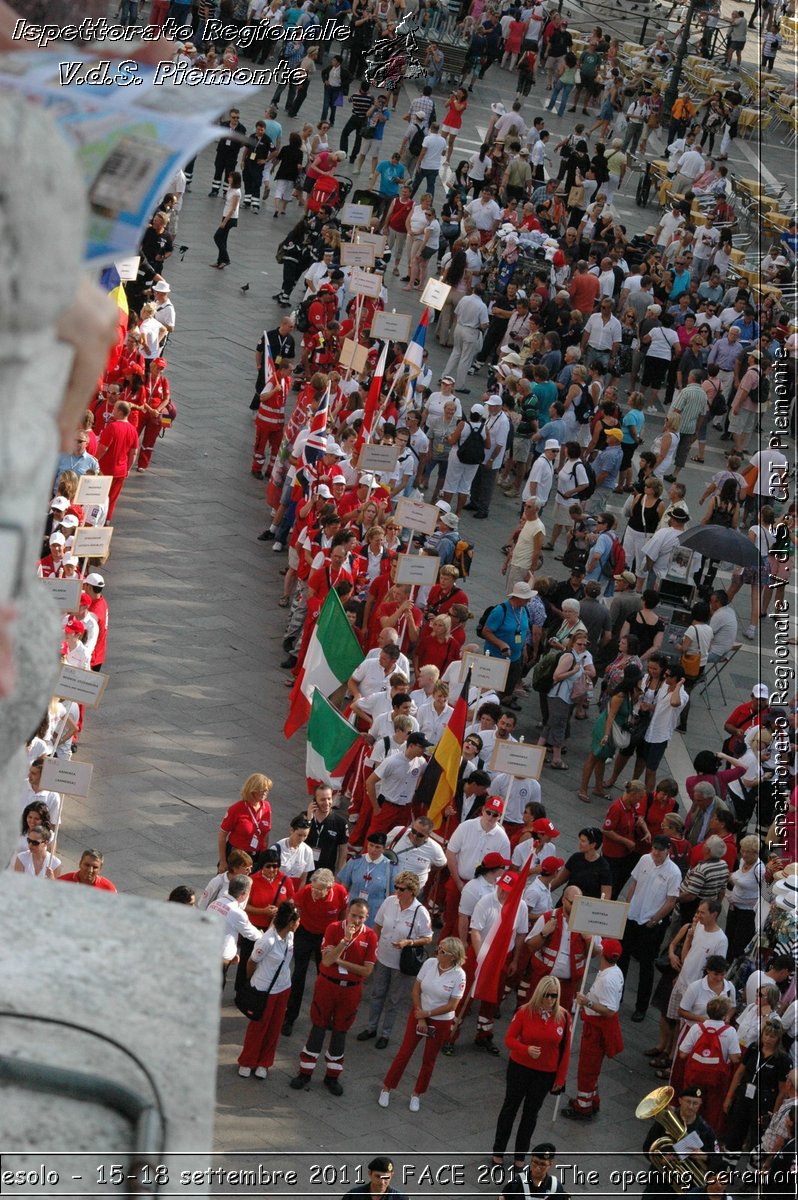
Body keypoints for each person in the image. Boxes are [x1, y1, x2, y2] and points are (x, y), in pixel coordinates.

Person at [289, 898, 378, 1095]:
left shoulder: (370, 936)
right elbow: (327, 961)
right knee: (318, 1026)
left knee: (340, 1031)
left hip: (351, 990)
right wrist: (344, 942)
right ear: (347, 912)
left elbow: (366, 971)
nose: (356, 920)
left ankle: (332, 1076)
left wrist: (341, 962)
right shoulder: (334, 928)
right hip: (328, 985)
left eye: (361, 917)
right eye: (354, 915)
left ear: (367, 917)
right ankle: (305, 1072)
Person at [379, 936, 467, 1112]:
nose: (438, 952)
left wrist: (428, 1014)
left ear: (452, 956)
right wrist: (420, 1016)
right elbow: (416, 990)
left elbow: (452, 1005)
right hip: (419, 1013)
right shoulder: (429, 964)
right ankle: (387, 1088)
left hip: (440, 1020)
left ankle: (417, 1094)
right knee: (405, 1052)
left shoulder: (459, 975)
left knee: (429, 1058)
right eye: (438, 949)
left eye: (442, 951)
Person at [491, 978, 571, 1168]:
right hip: (520, 1068)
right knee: (510, 1108)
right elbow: (509, 1039)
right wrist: (525, 1049)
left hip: (545, 1074)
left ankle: (520, 1156)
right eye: (547, 995)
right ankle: (498, 1152)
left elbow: (565, 1049)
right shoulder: (525, 1011)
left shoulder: (563, 1016)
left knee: (531, 1114)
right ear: (540, 993)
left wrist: (560, 1078)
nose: (551, 999)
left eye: (554, 995)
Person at [357, 871, 433, 1049]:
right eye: (396, 887)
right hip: (383, 956)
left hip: (402, 964)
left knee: (394, 1000)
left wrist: (410, 942)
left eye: (401, 889)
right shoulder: (389, 902)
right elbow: (377, 925)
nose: (397, 892)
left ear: (412, 891)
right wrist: (371, 949)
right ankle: (371, 1028)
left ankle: (386, 1033)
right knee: (377, 993)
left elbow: (428, 937)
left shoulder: (420, 912)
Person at [618, 835, 682, 1022]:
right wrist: (626, 906)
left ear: (667, 850)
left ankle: (641, 1007)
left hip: (650, 923)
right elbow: (634, 884)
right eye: (654, 849)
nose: (655, 853)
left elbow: (671, 901)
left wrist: (655, 919)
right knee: (621, 958)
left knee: (646, 966)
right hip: (632, 917)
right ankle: (617, 996)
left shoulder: (674, 872)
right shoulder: (644, 859)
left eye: (659, 850)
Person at [282, 868, 349, 1036]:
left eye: (319, 890)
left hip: (326, 937)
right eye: (313, 888)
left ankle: (323, 1017)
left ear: (329, 888)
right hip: (305, 934)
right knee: (298, 975)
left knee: (325, 978)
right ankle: (289, 1018)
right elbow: (293, 905)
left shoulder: (340, 893)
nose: (315, 892)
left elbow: (342, 913)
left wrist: (338, 936)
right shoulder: (305, 892)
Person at [237, 900, 301, 1078]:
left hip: (283, 988)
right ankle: (247, 1061)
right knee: (258, 1027)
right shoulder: (267, 940)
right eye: (297, 921)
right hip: (264, 990)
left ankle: (264, 1063)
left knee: (274, 1028)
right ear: (290, 922)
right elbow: (251, 963)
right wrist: (253, 981)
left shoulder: (290, 936)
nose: (299, 924)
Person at [563, 938, 624, 1121]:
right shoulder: (614, 972)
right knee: (591, 1068)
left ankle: (583, 1107)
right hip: (596, 1026)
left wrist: (586, 1002)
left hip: (596, 1029)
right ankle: (591, 1100)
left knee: (587, 1069)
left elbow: (609, 1010)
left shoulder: (608, 979)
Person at [338, 833, 397, 927]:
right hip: (352, 908)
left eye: (377, 847)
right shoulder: (355, 861)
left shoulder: (390, 867)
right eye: (371, 845)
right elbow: (343, 886)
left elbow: (393, 895)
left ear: (383, 849)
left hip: (375, 912)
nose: (373, 850)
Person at [217, 774, 273, 870]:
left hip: (256, 856)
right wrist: (223, 861)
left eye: (267, 789)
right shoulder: (236, 809)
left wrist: (263, 855)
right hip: (236, 856)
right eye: (262, 789)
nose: (265, 792)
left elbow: (266, 833)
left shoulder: (266, 807)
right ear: (252, 789)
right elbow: (222, 835)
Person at [211, 170, 241, 268]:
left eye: (230, 177)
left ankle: (226, 259)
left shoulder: (236, 192)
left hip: (230, 218)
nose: (228, 178)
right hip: (226, 215)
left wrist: (224, 221)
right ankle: (220, 261)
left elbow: (233, 208)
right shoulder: (230, 188)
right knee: (223, 239)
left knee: (217, 237)